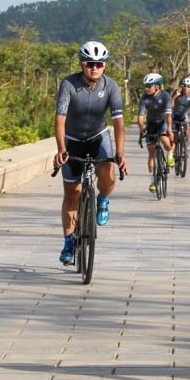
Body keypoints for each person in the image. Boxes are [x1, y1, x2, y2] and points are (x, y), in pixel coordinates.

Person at [54, 41, 129, 264]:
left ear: (104, 65)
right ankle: (68, 243)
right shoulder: (68, 84)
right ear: (82, 64)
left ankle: (103, 199)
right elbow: (60, 119)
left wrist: (121, 153)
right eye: (89, 64)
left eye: (99, 64)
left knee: (108, 174)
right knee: (72, 193)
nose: (94, 68)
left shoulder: (111, 86)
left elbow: (118, 122)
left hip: (98, 137)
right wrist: (61, 149)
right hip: (73, 140)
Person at [137, 72, 174, 192]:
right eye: (145, 86)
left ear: (157, 86)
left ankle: (169, 155)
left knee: (164, 140)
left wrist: (169, 129)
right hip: (151, 124)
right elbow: (140, 116)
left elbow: (168, 115)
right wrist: (141, 128)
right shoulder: (144, 98)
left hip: (163, 122)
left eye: (148, 86)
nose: (146, 88)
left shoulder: (166, 96)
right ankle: (153, 182)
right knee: (151, 151)